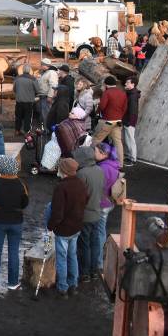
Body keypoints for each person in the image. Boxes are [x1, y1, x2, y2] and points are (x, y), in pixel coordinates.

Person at [0, 157, 29, 289]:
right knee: (14, 252)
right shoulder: (22, 184)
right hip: (16, 221)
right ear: (16, 168)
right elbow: (25, 203)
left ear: (1, 168)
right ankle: (13, 282)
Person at [49, 158, 87, 298]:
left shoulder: (61, 187)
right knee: (73, 256)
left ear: (63, 170)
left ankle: (62, 287)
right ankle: (73, 285)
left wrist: (50, 226)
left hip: (64, 229)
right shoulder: (81, 184)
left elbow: (57, 212)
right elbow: (86, 201)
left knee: (62, 258)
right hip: (76, 227)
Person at [75, 144, 106, 282]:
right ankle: (95, 271)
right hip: (97, 213)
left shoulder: (82, 174)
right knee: (95, 243)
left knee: (84, 245)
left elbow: (78, 196)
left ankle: (85, 273)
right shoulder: (99, 170)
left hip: (85, 215)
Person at [93, 77, 127, 168]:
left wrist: (97, 111)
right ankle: (120, 164)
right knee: (118, 142)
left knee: (96, 139)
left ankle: (90, 160)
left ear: (106, 84)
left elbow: (102, 106)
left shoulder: (107, 93)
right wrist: (119, 117)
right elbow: (124, 108)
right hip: (118, 121)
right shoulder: (123, 93)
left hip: (107, 120)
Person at [13, 65, 40, 135]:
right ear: (29, 71)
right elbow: (37, 90)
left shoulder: (17, 78)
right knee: (28, 117)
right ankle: (26, 131)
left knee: (18, 116)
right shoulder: (33, 79)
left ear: (23, 70)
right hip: (29, 101)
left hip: (19, 101)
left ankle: (17, 130)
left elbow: (14, 89)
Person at [123, 77, 140, 167]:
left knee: (130, 139)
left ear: (133, 84)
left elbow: (133, 110)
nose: (125, 84)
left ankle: (133, 159)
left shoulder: (133, 95)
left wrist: (130, 122)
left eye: (128, 82)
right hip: (128, 119)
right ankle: (130, 156)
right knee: (128, 139)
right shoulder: (131, 93)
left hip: (129, 120)